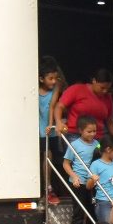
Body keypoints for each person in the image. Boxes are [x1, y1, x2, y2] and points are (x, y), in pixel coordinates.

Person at [54, 68, 113, 144]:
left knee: (101, 150)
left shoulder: (107, 97)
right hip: (75, 135)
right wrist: (58, 122)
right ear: (94, 81)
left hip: (97, 139)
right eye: (102, 88)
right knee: (81, 151)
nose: (105, 91)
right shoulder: (77, 89)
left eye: (107, 89)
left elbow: (110, 121)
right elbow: (59, 106)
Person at [62, 115, 99, 224]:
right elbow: (66, 164)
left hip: (92, 183)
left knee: (91, 214)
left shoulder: (97, 144)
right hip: (79, 184)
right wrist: (74, 176)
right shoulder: (74, 145)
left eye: (94, 131)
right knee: (78, 213)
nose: (92, 134)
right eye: (89, 131)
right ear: (80, 131)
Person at [37, 56, 64, 203]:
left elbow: (52, 106)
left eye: (55, 78)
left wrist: (50, 125)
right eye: (50, 78)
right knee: (45, 156)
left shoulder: (56, 87)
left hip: (50, 129)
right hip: (39, 130)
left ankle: (50, 189)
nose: (54, 81)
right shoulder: (34, 89)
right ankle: (47, 188)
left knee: (51, 156)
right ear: (41, 79)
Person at [87, 133, 113, 224]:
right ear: (108, 149)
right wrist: (93, 180)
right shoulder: (96, 164)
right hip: (104, 202)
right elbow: (88, 186)